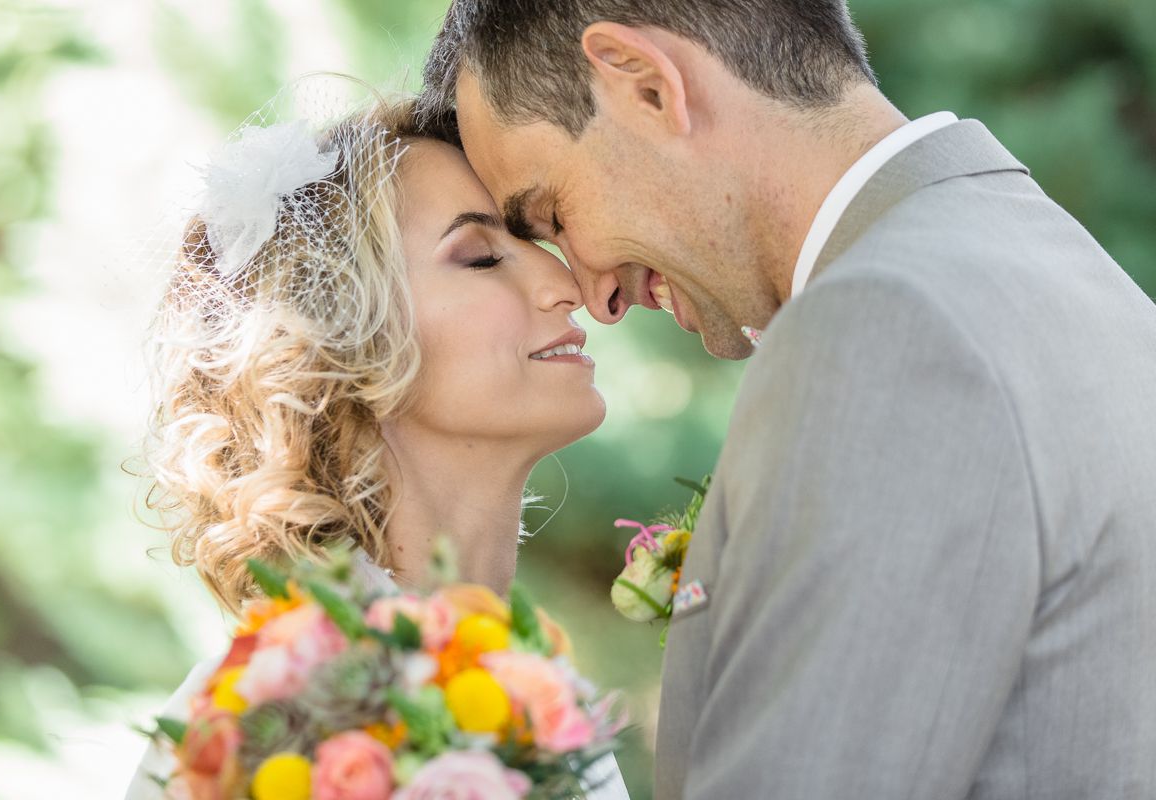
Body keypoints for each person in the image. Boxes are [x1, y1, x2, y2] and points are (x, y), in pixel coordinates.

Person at [419, 1, 1156, 797]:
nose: (594, 296)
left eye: (554, 214)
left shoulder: (888, 329)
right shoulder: (1058, 267)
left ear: (647, 85)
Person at [125, 97, 628, 799]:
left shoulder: (541, 687)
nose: (564, 283)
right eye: (481, 256)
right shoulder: (281, 720)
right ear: (337, 349)